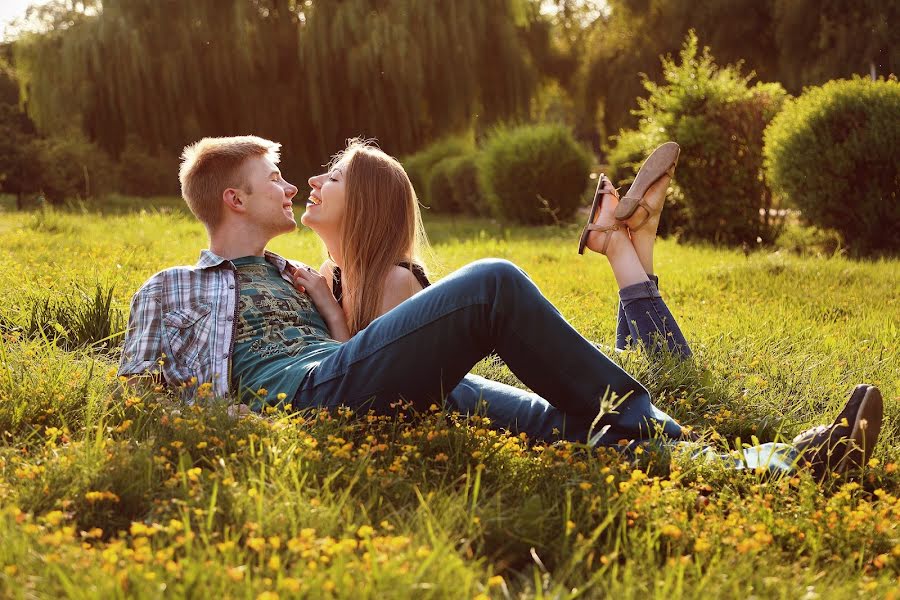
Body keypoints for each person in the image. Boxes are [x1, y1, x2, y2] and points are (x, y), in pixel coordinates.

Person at [118, 135, 882, 481]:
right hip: (304, 400)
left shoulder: (295, 274)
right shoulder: (174, 288)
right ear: (233, 198)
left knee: (569, 427)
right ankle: (664, 397)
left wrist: (323, 298)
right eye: (276, 178)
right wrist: (248, 430)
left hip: (356, 387)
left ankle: (781, 465)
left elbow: (361, 354)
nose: (291, 187)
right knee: (493, 282)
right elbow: (139, 395)